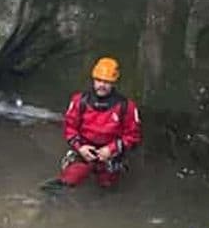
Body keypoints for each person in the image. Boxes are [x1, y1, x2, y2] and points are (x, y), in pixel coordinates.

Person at [43, 56, 142, 190]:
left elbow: (133, 136)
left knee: (108, 187)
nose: (101, 85)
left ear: (114, 82)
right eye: (98, 80)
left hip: (111, 154)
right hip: (85, 149)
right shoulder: (79, 101)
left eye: (106, 81)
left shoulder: (126, 107)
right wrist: (80, 147)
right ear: (93, 80)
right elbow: (70, 128)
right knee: (67, 182)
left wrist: (110, 149)